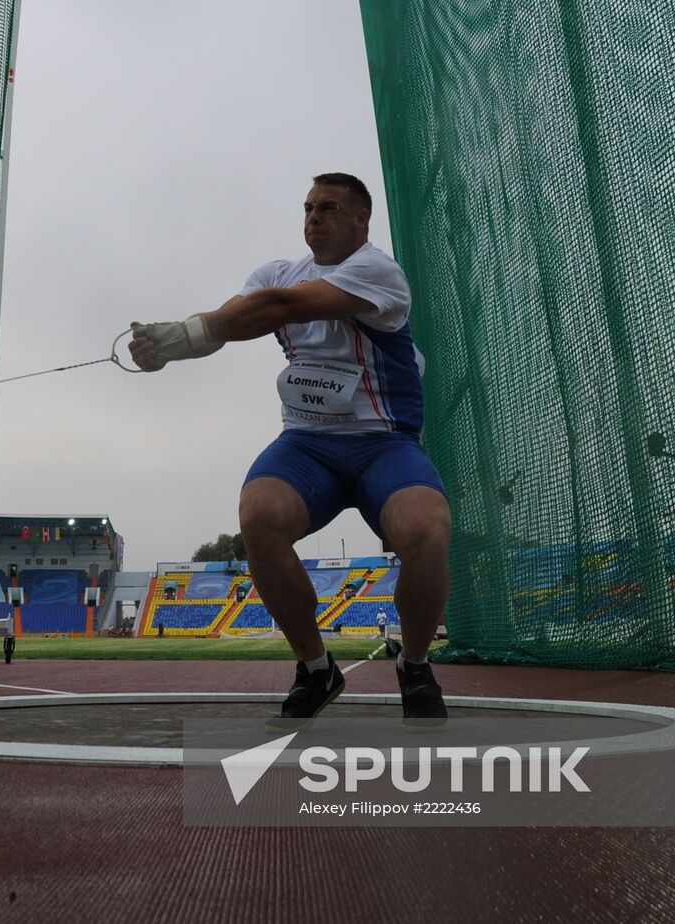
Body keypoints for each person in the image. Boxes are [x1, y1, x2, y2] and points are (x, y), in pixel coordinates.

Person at [129, 172, 450, 727]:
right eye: (307, 208)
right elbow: (236, 321)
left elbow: (278, 308)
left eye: (327, 208)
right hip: (307, 444)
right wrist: (168, 349)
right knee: (259, 514)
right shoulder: (276, 271)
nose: (313, 218)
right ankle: (316, 667)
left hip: (384, 442)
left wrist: (181, 334)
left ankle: (416, 665)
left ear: (360, 220)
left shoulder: (379, 271)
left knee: (425, 527)